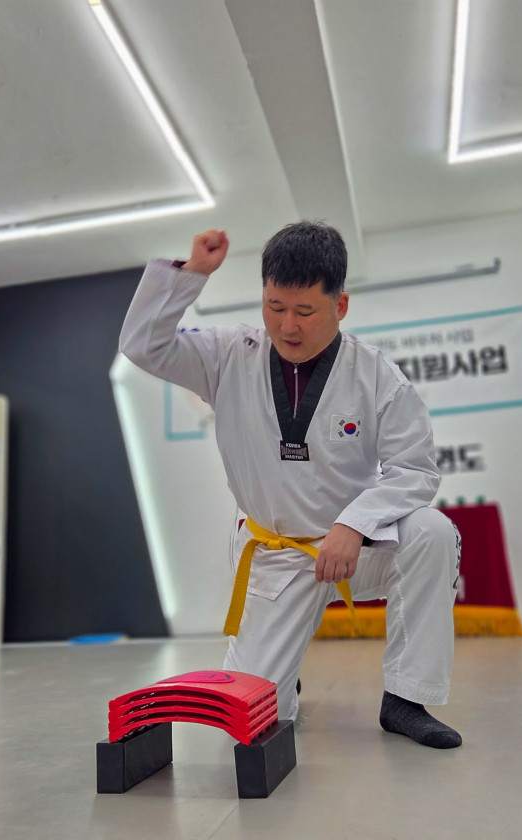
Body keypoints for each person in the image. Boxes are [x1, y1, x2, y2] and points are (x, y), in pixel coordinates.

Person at [119, 222, 463, 748]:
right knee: (253, 722)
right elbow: (142, 345)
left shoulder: (377, 375)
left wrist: (354, 524)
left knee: (431, 533)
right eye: (275, 306)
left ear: (340, 305)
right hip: (275, 555)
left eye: (305, 311)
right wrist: (191, 275)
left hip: (354, 550)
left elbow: (415, 470)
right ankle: (283, 674)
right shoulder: (229, 355)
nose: (287, 326)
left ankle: (406, 699)